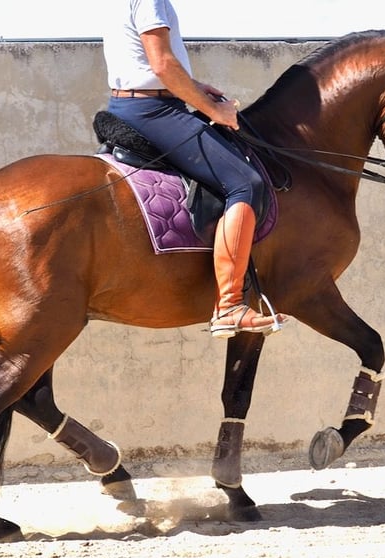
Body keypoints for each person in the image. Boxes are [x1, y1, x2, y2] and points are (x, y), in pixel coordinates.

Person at [103, 0, 288, 338]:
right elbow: (161, 64)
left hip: (132, 101)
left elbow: (144, 60)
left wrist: (194, 87)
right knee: (245, 183)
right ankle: (229, 305)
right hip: (153, 110)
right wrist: (213, 111)